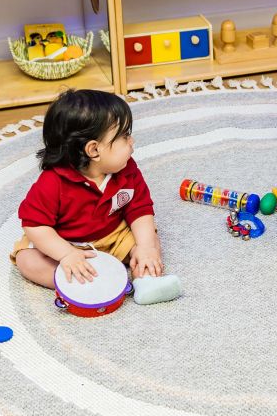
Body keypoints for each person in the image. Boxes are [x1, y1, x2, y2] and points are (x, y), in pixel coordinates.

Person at [12, 89, 181, 303]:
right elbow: (35, 225)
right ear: (93, 150)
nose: (132, 141)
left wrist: (146, 247)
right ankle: (85, 284)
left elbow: (140, 209)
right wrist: (66, 254)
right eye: (124, 136)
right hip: (65, 241)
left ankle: (146, 280)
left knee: (149, 239)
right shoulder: (52, 183)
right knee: (27, 261)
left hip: (114, 235)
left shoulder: (126, 169)